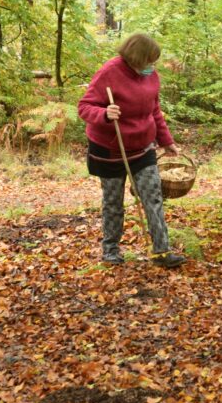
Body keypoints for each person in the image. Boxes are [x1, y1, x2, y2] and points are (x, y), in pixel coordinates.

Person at [78, 33, 186, 268]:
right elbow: (84, 106)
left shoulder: (151, 75)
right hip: (109, 149)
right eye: (148, 61)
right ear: (136, 57)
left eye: (153, 62)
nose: (152, 67)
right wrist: (104, 114)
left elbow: (154, 111)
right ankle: (111, 250)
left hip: (142, 147)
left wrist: (166, 141)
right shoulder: (109, 72)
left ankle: (162, 251)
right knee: (113, 201)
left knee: (153, 197)